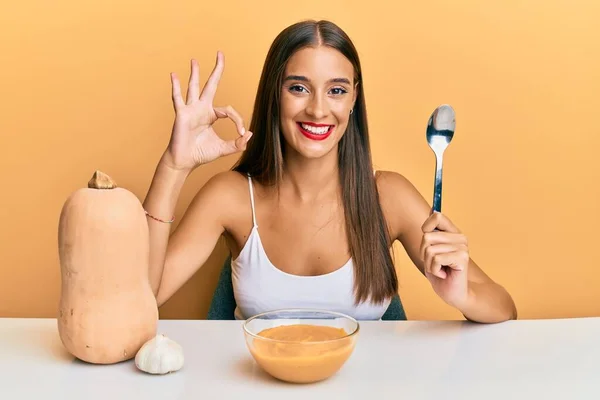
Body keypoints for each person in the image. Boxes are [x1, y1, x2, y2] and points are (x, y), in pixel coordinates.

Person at [142, 19, 517, 323]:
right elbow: (141, 300)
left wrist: (461, 293)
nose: (319, 110)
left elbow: (504, 309)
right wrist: (175, 165)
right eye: (299, 88)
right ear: (275, 94)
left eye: (336, 91)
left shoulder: (389, 197)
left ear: (354, 97)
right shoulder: (231, 196)